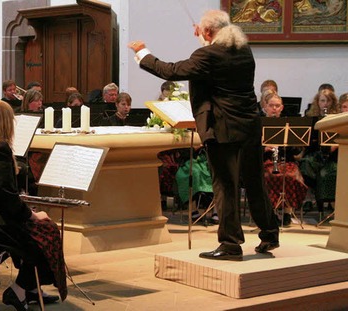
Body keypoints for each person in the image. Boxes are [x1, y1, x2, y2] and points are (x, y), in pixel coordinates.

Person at [129, 9, 280, 260]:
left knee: (225, 187)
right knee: (255, 183)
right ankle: (270, 233)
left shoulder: (208, 54)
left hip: (223, 129)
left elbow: (171, 70)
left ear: (208, 32)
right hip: (250, 126)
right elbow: (215, 61)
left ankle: (231, 245)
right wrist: (204, 37)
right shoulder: (243, 50)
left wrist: (142, 51)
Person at [0, 99, 66, 309]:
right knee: (46, 236)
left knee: (40, 232)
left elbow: (0, 193)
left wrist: (25, 211)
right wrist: (32, 215)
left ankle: (32, 289)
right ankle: (18, 291)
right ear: (4, 122)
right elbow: (6, 198)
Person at [260, 92, 307, 226]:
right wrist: (264, 148)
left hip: (286, 161)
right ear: (265, 107)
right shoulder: (259, 124)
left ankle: (287, 212)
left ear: (282, 107)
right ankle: (271, 213)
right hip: (266, 161)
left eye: (277, 106)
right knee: (270, 176)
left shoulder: (289, 125)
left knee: (292, 176)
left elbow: (297, 150)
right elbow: (250, 146)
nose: (274, 108)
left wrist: (288, 143)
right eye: (271, 106)